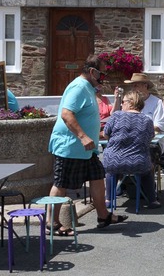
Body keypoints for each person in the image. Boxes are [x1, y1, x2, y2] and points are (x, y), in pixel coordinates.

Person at [48, 55, 124, 233]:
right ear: (92, 72)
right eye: (101, 75)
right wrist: (83, 136)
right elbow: (67, 114)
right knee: (61, 183)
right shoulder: (78, 87)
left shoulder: (89, 88)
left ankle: (103, 216)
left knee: (98, 177)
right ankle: (52, 224)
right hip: (71, 146)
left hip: (86, 149)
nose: (103, 78)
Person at [102, 90, 160, 210]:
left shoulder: (116, 116)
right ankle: (152, 200)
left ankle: (108, 199)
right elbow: (151, 137)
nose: (121, 104)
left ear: (131, 103)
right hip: (138, 162)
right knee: (147, 171)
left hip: (114, 160)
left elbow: (106, 135)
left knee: (111, 171)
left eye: (123, 102)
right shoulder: (147, 120)